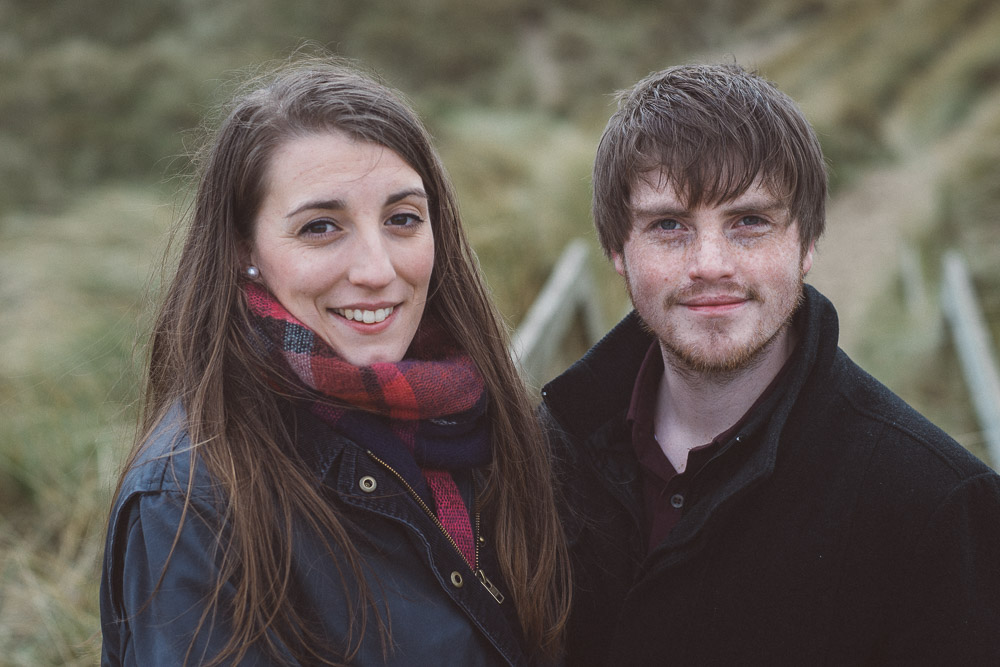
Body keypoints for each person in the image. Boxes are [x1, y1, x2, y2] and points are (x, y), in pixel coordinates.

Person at [99, 57, 570, 666]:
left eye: (403, 219)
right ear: (247, 251)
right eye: (321, 227)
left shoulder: (487, 421)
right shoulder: (193, 501)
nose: (376, 270)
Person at [541, 63, 1000, 665]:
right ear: (618, 252)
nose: (709, 263)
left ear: (807, 243)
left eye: (749, 222)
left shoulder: (937, 505)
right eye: (670, 226)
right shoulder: (541, 460)